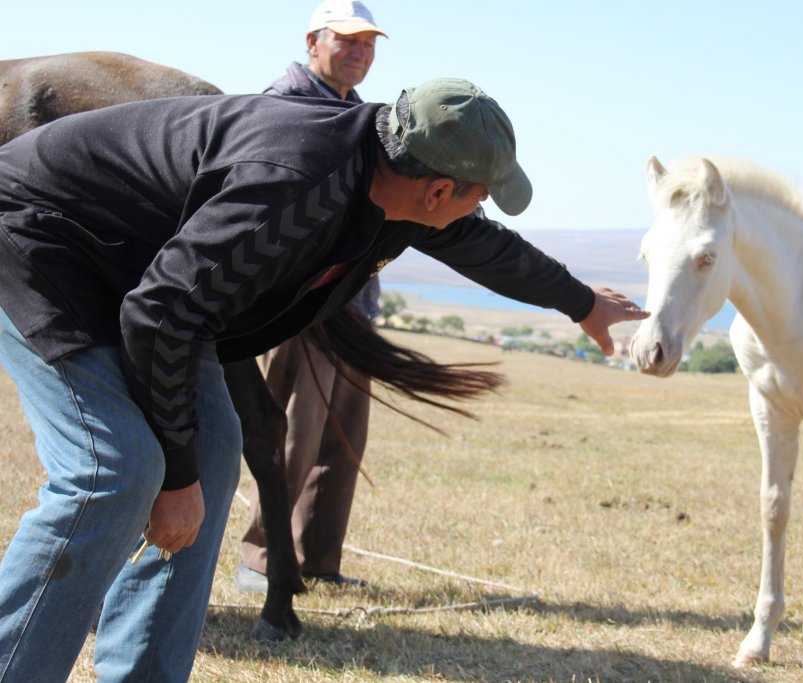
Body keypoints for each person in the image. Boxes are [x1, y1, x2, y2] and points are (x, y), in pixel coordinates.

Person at [0, 77, 647, 680]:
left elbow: (482, 245)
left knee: (216, 452)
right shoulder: (294, 189)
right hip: (39, 238)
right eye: (480, 195)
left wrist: (582, 302)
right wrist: (173, 478)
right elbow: (161, 313)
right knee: (116, 469)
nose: (482, 210)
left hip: (151, 277)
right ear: (439, 193)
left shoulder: (393, 178)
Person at [236, 0, 387, 592]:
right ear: (312, 41)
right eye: (347, 40)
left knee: (342, 435)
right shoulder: (286, 103)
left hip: (355, 299)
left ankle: (318, 558)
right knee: (293, 429)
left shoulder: (359, 113)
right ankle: (260, 557)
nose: (359, 52)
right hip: (302, 300)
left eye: (369, 44)